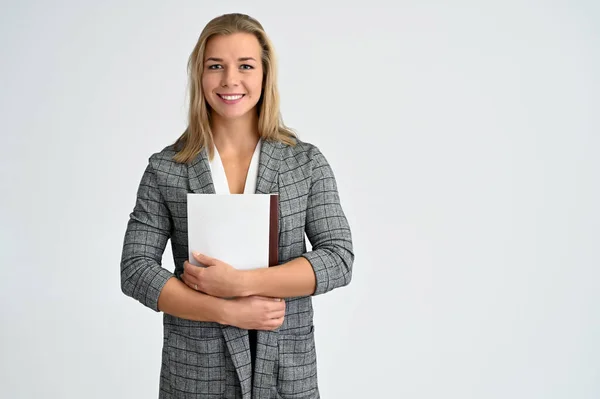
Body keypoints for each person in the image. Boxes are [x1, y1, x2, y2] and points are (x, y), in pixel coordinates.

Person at [120, 12, 354, 399]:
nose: (230, 80)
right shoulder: (166, 168)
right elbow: (135, 269)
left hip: (284, 372)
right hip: (195, 374)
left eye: (245, 66)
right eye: (216, 66)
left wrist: (241, 284)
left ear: (264, 74)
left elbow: (339, 258)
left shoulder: (305, 163)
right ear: (200, 75)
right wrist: (225, 308)